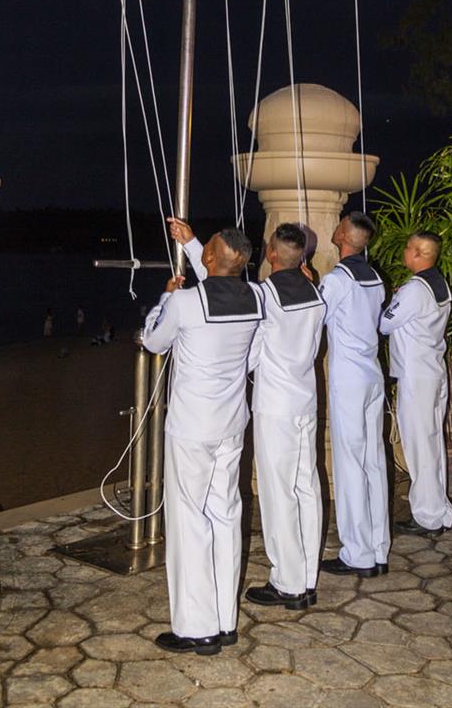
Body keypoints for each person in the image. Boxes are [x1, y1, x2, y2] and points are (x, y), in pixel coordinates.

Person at [169, 217, 326, 611]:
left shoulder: (263, 296)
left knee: (279, 495)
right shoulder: (315, 293)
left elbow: (223, 280)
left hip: (276, 406)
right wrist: (193, 244)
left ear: (272, 254)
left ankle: (289, 583)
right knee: (308, 487)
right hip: (307, 399)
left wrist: (193, 247)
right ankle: (306, 577)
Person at [142, 227, 264, 656]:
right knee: (226, 516)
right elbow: (253, 355)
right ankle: (224, 621)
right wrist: (193, 242)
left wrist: (164, 296)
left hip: (193, 427)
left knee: (189, 522)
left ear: (210, 259)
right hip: (232, 423)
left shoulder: (184, 301)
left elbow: (153, 340)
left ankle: (197, 628)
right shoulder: (257, 298)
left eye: (206, 249)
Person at [318, 211, 389, 578]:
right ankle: (378, 547)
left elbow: (316, 319)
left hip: (348, 377)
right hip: (372, 372)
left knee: (350, 464)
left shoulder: (337, 280)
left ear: (343, 235)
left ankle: (357, 553)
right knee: (373, 460)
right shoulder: (375, 277)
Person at [379, 231, 452, 536]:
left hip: (416, 376)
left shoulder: (413, 290)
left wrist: (393, 300)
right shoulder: (439, 284)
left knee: (420, 446)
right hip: (434, 370)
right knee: (433, 443)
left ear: (420, 254)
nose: (405, 251)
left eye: (409, 247)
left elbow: (385, 323)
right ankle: (439, 510)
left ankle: (427, 517)